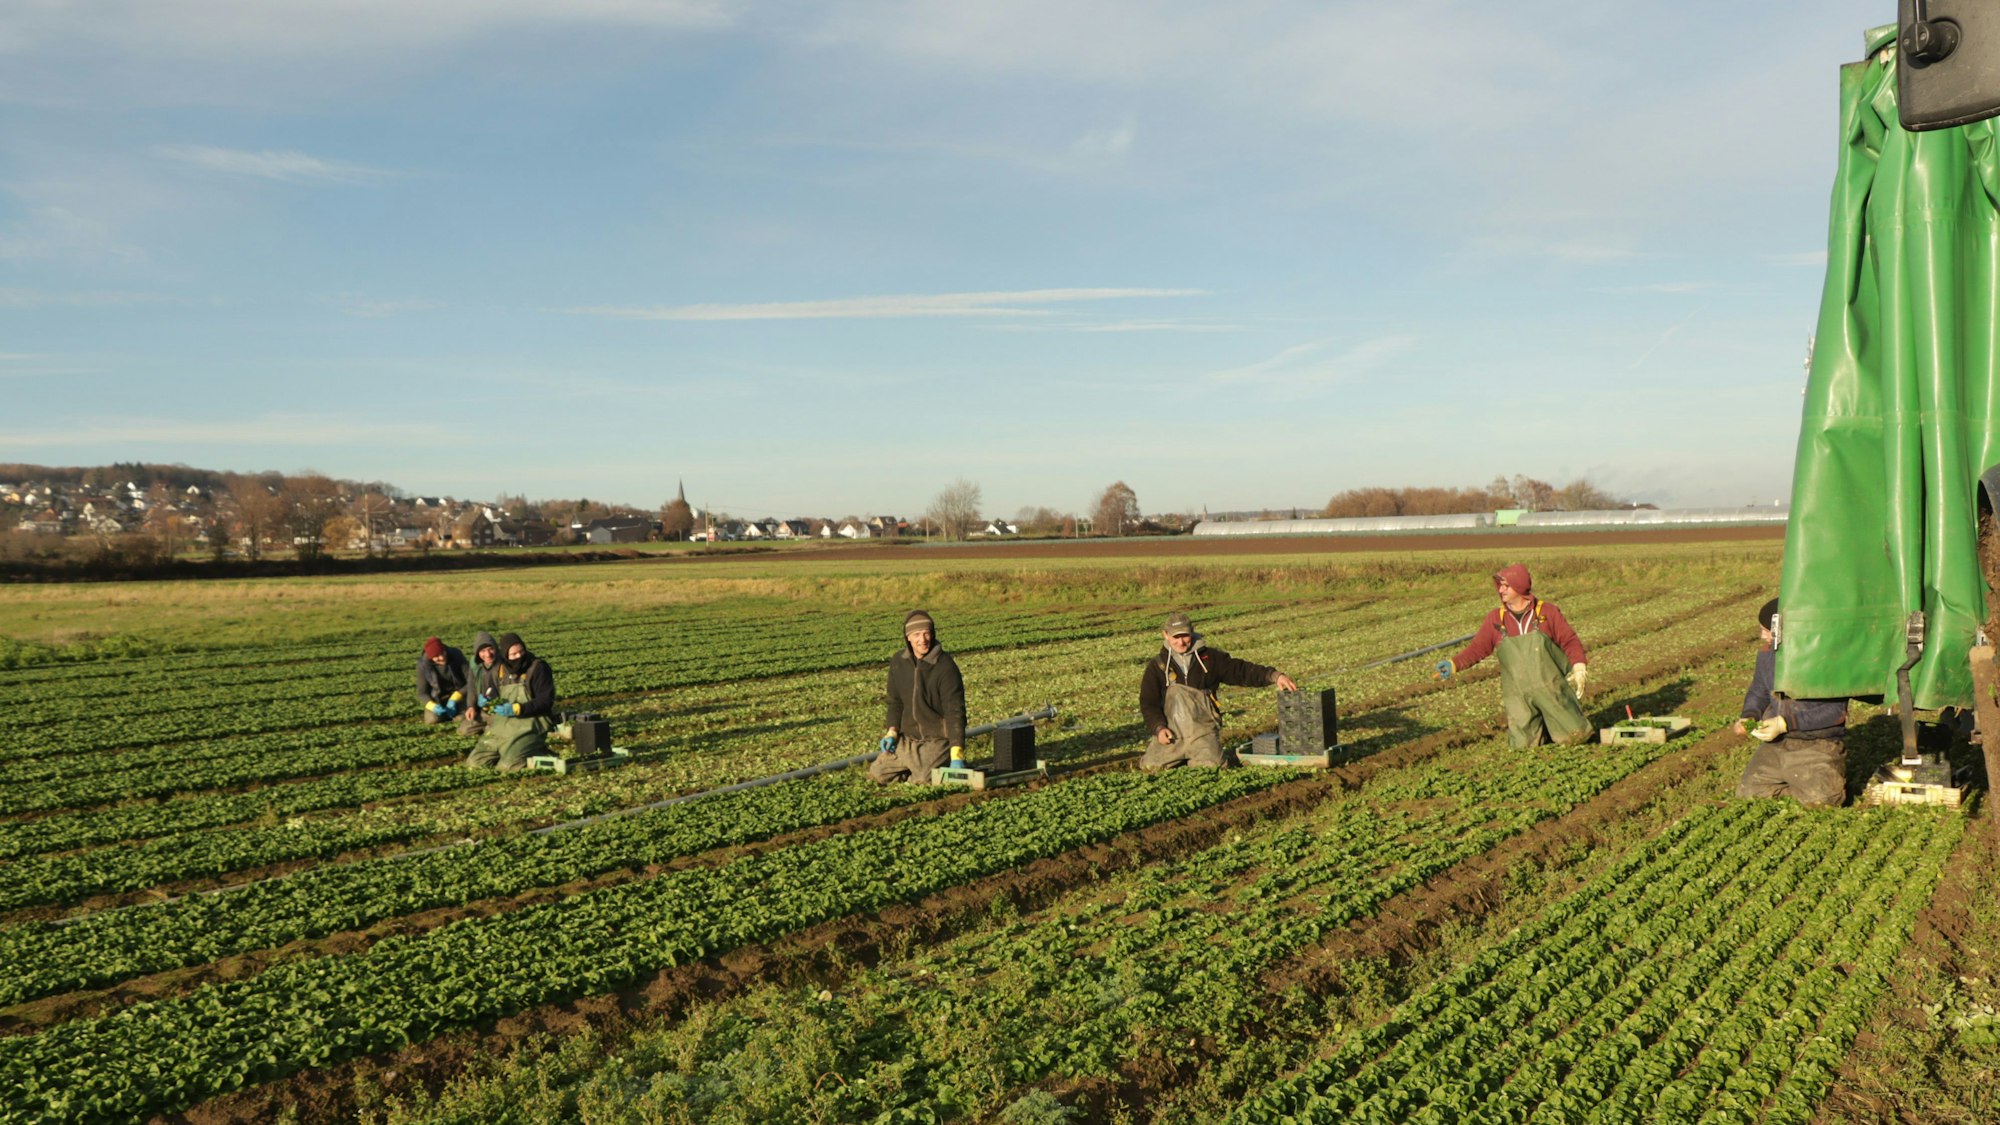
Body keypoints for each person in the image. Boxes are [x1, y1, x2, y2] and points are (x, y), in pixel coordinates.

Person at [1434, 564, 1593, 748]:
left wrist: (1579, 666)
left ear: (1519, 585)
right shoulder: (1496, 619)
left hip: (1549, 687)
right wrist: (1454, 664)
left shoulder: (1546, 612)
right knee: (1522, 747)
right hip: (1517, 693)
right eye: (1500, 585)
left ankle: (1561, 729)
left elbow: (1569, 640)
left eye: (1506, 586)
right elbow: (1478, 648)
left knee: (1576, 736)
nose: (1500, 590)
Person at [1139, 611, 1299, 770]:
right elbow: (1148, 703)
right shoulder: (1158, 666)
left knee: (1213, 767)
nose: (1181, 642)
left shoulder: (1210, 658)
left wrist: (1274, 676)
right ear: (1166, 635)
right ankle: (1181, 757)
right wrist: (1159, 728)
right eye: (1176, 637)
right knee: (1150, 766)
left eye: (1185, 636)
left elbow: (1240, 671)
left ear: (1192, 632)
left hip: (1203, 733)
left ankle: (1196, 756)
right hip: (1172, 734)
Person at [1733, 597, 1849, 806]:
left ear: (1784, 631)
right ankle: (1799, 785)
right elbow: (1759, 690)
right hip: (1778, 744)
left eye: (1767, 631)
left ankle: (1818, 785)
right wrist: (1749, 715)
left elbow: (1835, 712)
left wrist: (1784, 723)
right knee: (1748, 793)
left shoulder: (1824, 660)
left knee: (1822, 800)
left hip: (1817, 744)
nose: (1762, 636)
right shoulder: (1767, 655)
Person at [872, 610, 966, 784]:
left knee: (923, 777)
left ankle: (927, 766)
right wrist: (892, 732)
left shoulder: (945, 666)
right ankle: (914, 767)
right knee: (878, 773)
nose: (922, 640)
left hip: (936, 740)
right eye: (916, 635)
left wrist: (957, 754)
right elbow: (895, 702)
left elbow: (955, 711)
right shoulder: (898, 662)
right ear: (908, 637)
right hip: (908, 740)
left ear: (932, 634)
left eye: (926, 633)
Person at [466, 632, 556, 770]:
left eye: (521, 651)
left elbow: (545, 701)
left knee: (508, 766)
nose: (519, 656)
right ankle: (515, 751)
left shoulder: (538, 668)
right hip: (503, 725)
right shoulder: (501, 670)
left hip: (531, 725)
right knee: (474, 763)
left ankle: (539, 751)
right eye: (513, 654)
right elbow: (495, 697)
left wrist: (517, 708)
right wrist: (487, 704)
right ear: (505, 655)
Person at [416, 636, 469, 727]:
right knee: (432, 720)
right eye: (436, 656)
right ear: (431, 658)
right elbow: (422, 692)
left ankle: (454, 712)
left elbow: (471, 680)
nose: (441, 657)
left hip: (458, 694)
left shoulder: (456, 655)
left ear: (445, 650)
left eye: (442, 653)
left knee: (461, 718)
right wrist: (432, 705)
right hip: (437, 697)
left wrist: (456, 697)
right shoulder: (423, 665)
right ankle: (445, 713)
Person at [457, 631, 501, 737]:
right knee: (463, 730)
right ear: (477, 653)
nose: (488, 654)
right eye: (483, 651)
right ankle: (487, 725)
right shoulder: (476, 666)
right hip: (484, 710)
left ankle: (491, 726)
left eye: (490, 649)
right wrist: (471, 706)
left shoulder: (503, 664)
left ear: (496, 648)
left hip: (500, 710)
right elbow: (472, 686)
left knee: (491, 734)